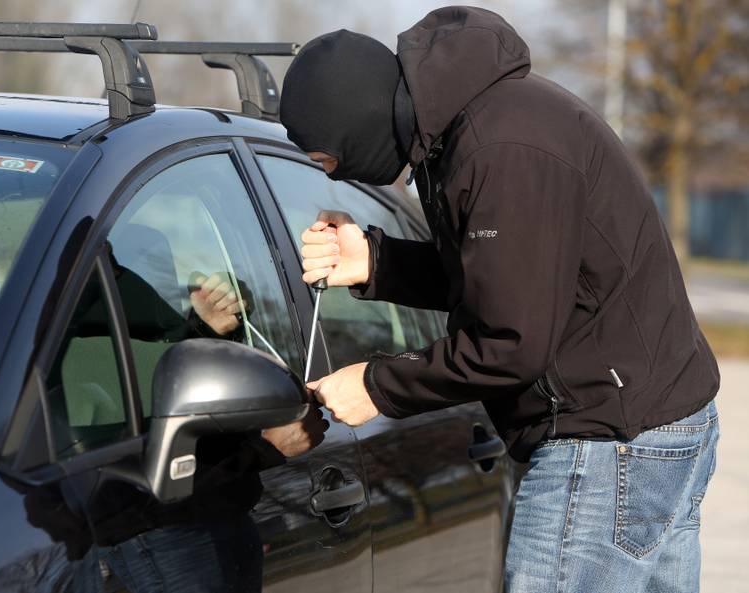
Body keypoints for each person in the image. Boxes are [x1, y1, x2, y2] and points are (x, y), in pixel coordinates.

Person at [279, 7, 720, 593]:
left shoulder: (499, 149)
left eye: (328, 158)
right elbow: (511, 278)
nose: (335, 176)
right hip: (651, 421)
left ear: (356, 122)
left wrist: (376, 386)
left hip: (606, 441)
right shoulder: (473, 124)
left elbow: (510, 342)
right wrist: (377, 264)